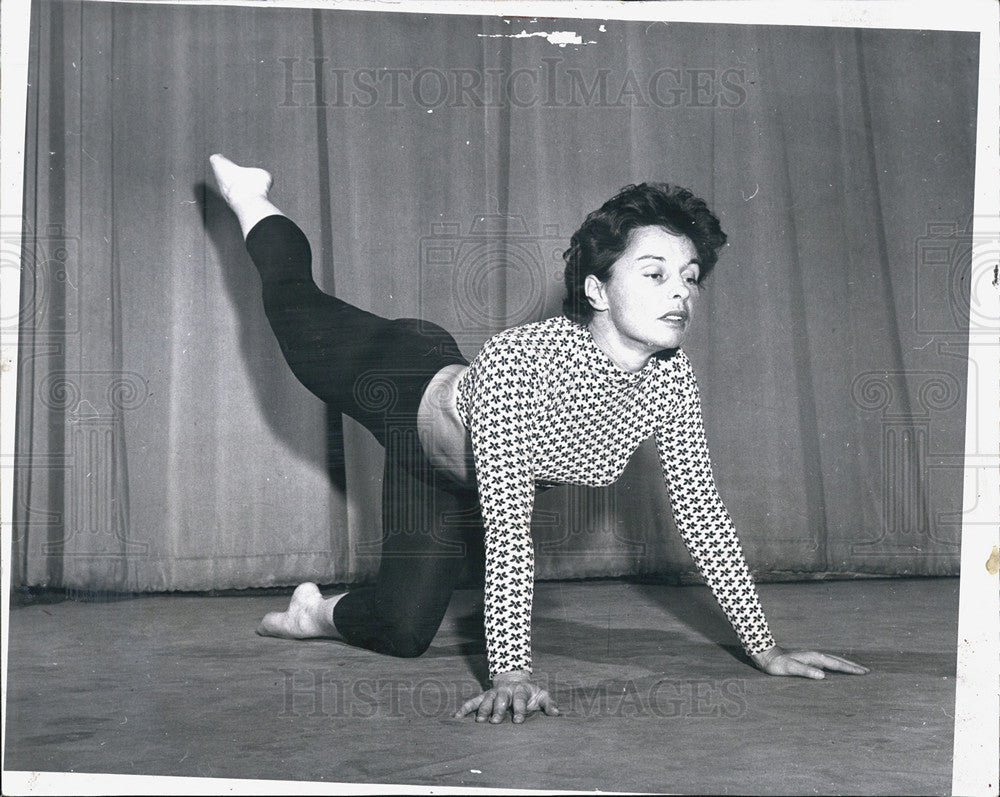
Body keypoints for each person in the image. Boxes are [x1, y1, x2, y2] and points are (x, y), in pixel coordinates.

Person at [208, 154, 869, 725]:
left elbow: (702, 515)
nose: (681, 293)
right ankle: (250, 196)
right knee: (290, 306)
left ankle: (312, 613)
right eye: (655, 272)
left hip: (438, 472)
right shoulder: (524, 362)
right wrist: (510, 673)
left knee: (404, 630)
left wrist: (765, 646)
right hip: (401, 375)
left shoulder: (673, 382)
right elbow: (508, 527)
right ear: (597, 290)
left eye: (690, 276)